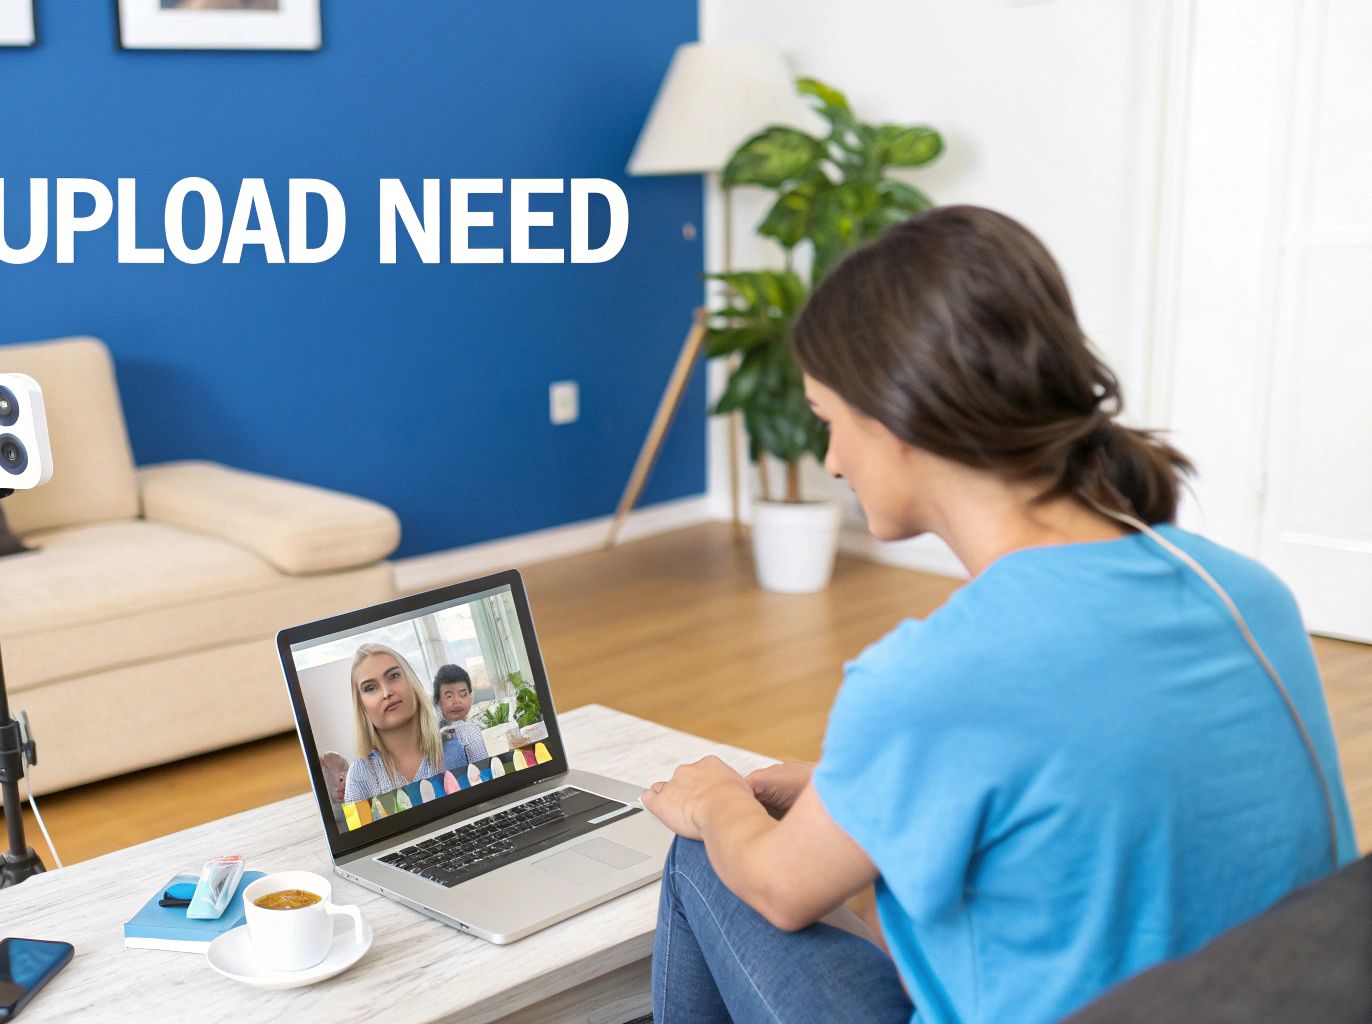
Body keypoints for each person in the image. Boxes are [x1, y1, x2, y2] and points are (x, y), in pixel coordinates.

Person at [639, 205, 1356, 1024]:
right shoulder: (1244, 593)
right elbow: (1107, 791)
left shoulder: (934, 673)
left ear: (898, 415)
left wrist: (715, 800)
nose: (833, 461)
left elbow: (777, 889)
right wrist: (858, 793)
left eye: (830, 423)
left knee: (708, 857)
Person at [342, 643, 448, 804]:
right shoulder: (360, 775)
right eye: (370, 688)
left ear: (412, 682)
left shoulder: (463, 740)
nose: (386, 693)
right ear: (362, 706)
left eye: (393, 676)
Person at [432, 663, 490, 770]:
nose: (457, 702)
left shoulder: (478, 727)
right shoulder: (436, 738)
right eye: (449, 696)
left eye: (463, 694)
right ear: (438, 701)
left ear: (470, 696)